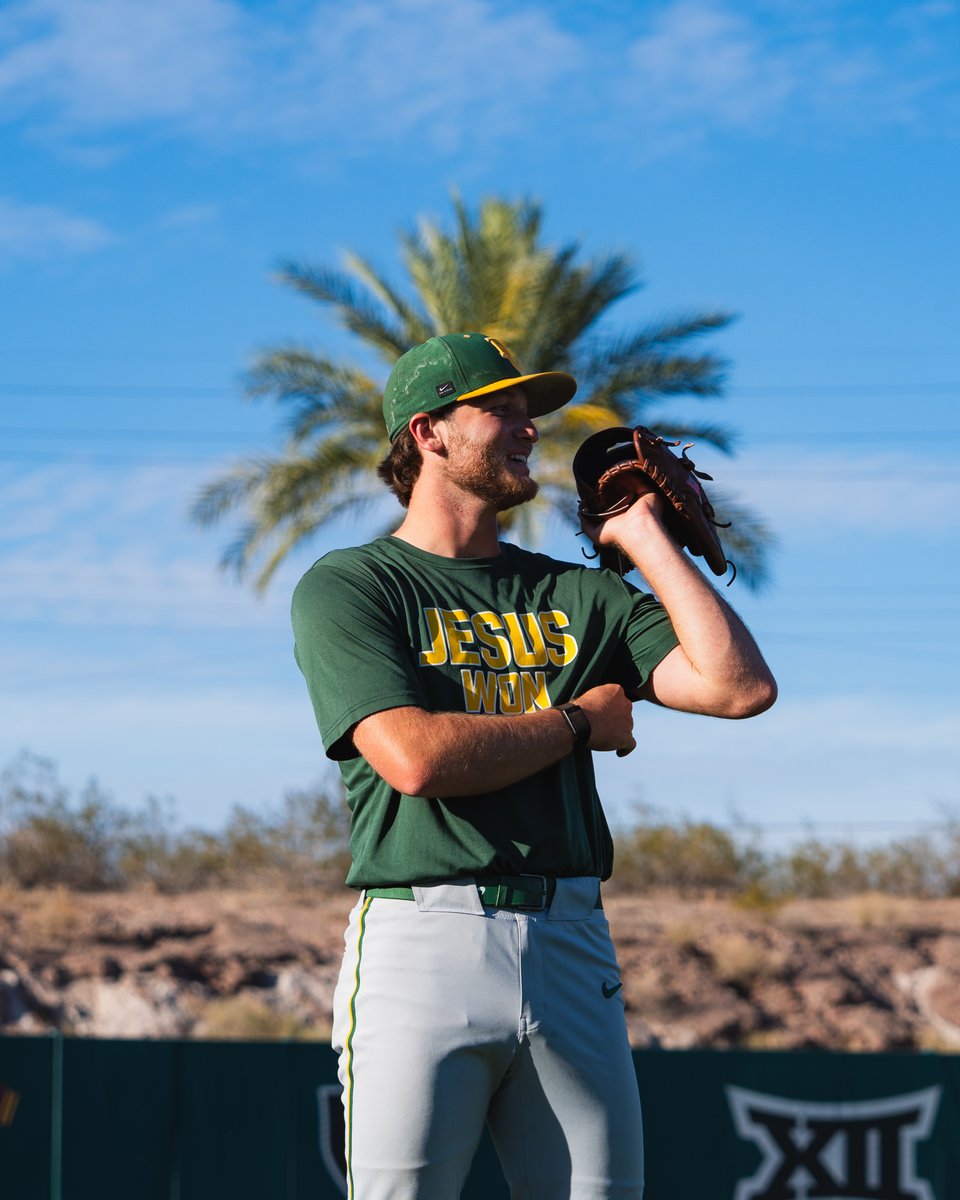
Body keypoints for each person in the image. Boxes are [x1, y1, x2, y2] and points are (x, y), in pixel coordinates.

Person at [291, 332, 776, 1200]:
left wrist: (644, 539)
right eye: (502, 410)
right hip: (423, 938)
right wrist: (577, 722)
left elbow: (739, 688)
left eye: (530, 412)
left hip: (570, 941)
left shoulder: (578, 594)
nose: (529, 430)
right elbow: (413, 759)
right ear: (428, 433)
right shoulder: (355, 584)